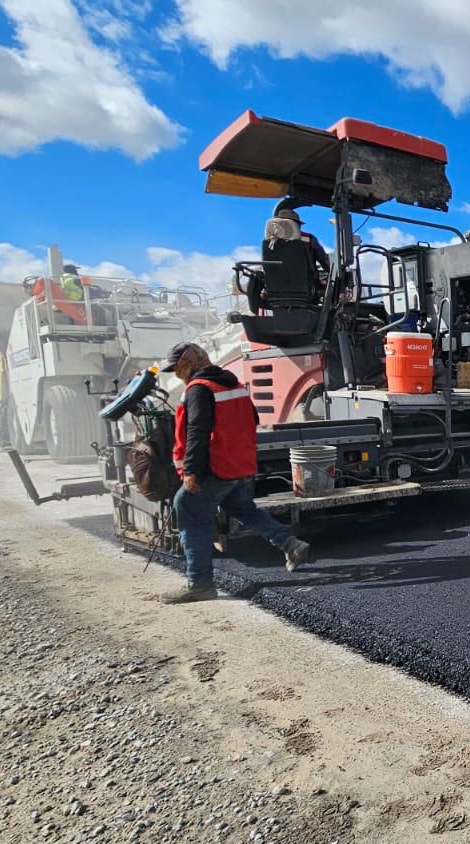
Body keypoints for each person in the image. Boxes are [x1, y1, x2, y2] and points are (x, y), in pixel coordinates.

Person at [161, 342, 311, 603]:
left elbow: (196, 431)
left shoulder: (199, 390)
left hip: (215, 469)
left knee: (188, 510)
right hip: (241, 466)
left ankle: (200, 583)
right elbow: (252, 419)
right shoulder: (234, 385)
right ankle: (291, 544)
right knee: (244, 510)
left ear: (187, 363)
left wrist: (191, 471)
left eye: (176, 368)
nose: (175, 373)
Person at [269, 200, 331, 283]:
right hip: (306, 283)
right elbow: (324, 261)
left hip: (276, 283)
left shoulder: (270, 241)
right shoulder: (309, 239)